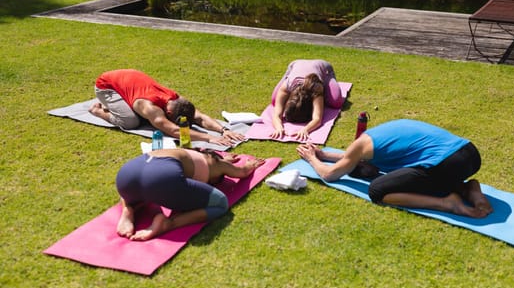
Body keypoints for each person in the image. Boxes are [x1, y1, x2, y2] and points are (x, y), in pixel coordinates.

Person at [296, 119, 493, 218]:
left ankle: (447, 203)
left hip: (448, 164)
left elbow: (329, 175)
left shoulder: (359, 147)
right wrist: (324, 154)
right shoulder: (377, 137)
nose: (374, 172)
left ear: (361, 161)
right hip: (471, 155)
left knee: (377, 190)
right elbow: (349, 157)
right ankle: (468, 189)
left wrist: (312, 158)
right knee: (423, 174)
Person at [116, 148, 265, 241]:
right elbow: (242, 172)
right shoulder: (219, 164)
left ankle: (128, 208)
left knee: (141, 187)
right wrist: (250, 165)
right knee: (221, 203)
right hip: (161, 178)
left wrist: (224, 161)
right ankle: (169, 223)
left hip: (127, 174)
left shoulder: (188, 151)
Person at [89, 69, 244, 146]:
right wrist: (210, 137)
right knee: (131, 122)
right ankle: (98, 110)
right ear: (168, 112)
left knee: (139, 118)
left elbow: (200, 117)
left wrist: (224, 130)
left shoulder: (177, 100)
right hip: (107, 86)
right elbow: (174, 131)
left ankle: (114, 104)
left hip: (127, 79)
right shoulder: (151, 108)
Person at [270, 59, 344, 141]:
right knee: (274, 100)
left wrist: (306, 129)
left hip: (325, 68)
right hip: (295, 64)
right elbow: (276, 114)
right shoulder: (287, 86)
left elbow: (317, 119)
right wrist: (278, 127)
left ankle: (327, 78)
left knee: (336, 101)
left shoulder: (315, 89)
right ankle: (288, 75)